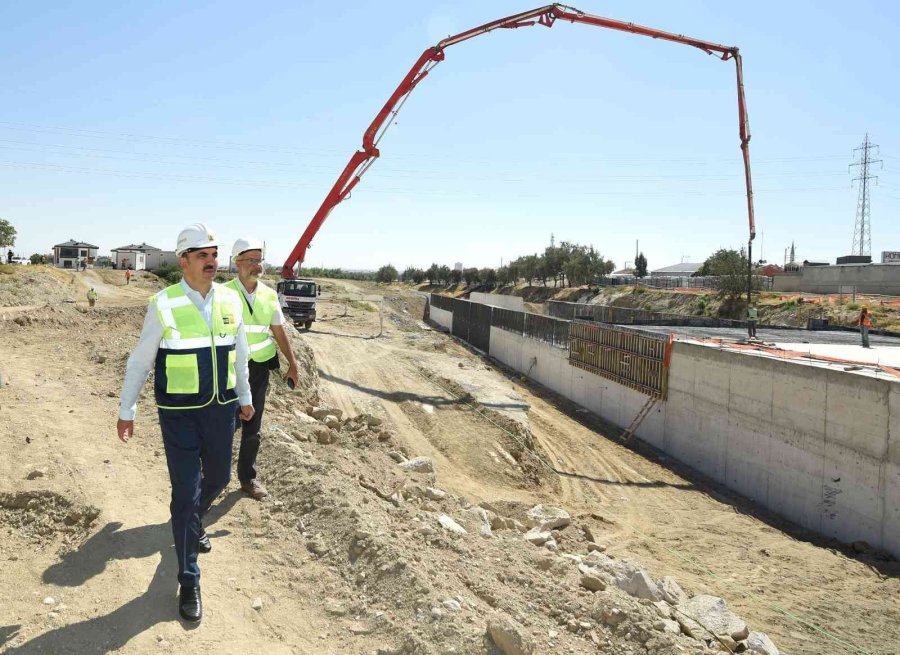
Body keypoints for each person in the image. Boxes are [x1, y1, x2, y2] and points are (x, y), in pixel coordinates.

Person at [116, 223, 254, 623]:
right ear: (183, 261)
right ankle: (189, 577)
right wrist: (127, 410)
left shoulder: (229, 300)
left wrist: (244, 398)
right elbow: (141, 361)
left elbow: (239, 355)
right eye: (202, 255)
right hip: (178, 415)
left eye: (214, 254)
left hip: (221, 410)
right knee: (185, 491)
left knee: (219, 479)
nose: (211, 261)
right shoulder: (164, 303)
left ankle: (189, 519)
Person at [226, 237, 299, 500]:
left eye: (260, 260)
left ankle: (248, 478)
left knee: (253, 425)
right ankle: (212, 476)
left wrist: (292, 363)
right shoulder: (223, 293)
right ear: (237, 263)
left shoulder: (269, 295)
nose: (257, 265)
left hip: (259, 367)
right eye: (251, 260)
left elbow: (278, 330)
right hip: (230, 368)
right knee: (225, 423)